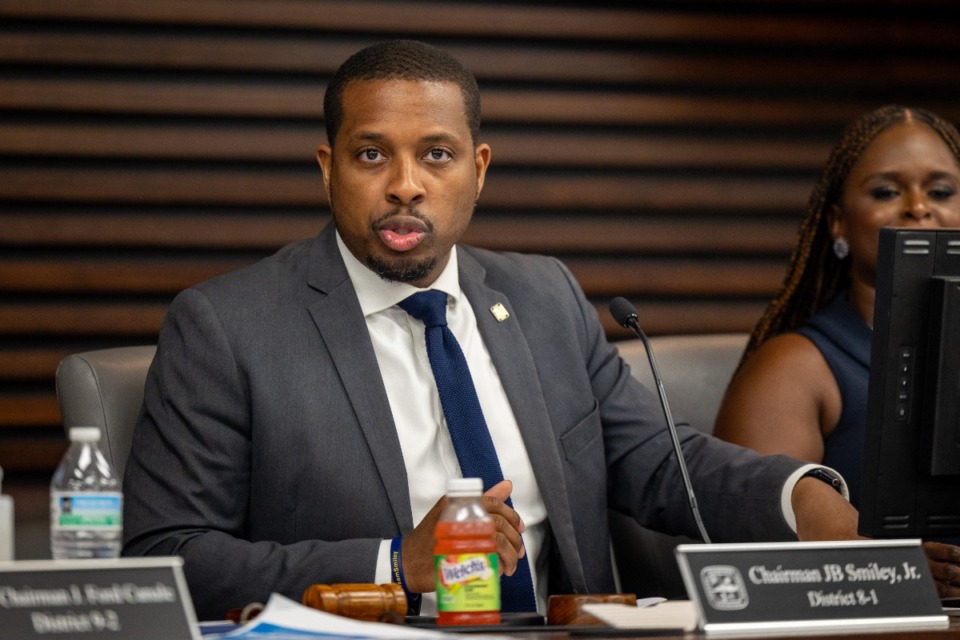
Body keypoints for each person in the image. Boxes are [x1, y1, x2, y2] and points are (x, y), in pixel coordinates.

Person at [122, 39, 858, 620]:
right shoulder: (226, 327)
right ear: (328, 168)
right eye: (371, 154)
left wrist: (798, 498)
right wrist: (394, 564)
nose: (405, 183)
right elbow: (169, 556)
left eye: (435, 154)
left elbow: (658, 462)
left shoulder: (543, 296)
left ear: (478, 168)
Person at [714, 104, 960, 597]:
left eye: (940, 191)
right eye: (887, 191)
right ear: (837, 224)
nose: (917, 206)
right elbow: (755, 573)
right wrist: (890, 573)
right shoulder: (794, 368)